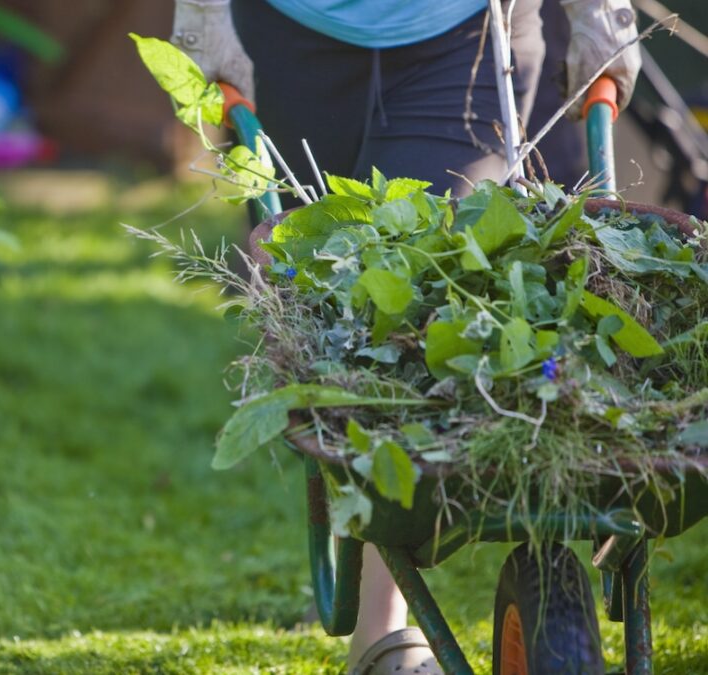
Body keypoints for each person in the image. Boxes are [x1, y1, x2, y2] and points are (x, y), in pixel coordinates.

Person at [170, 0, 641, 672]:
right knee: (332, 314)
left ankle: (380, 630)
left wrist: (602, 11)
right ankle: (380, 624)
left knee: (413, 300)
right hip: (288, 34)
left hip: (465, 37)